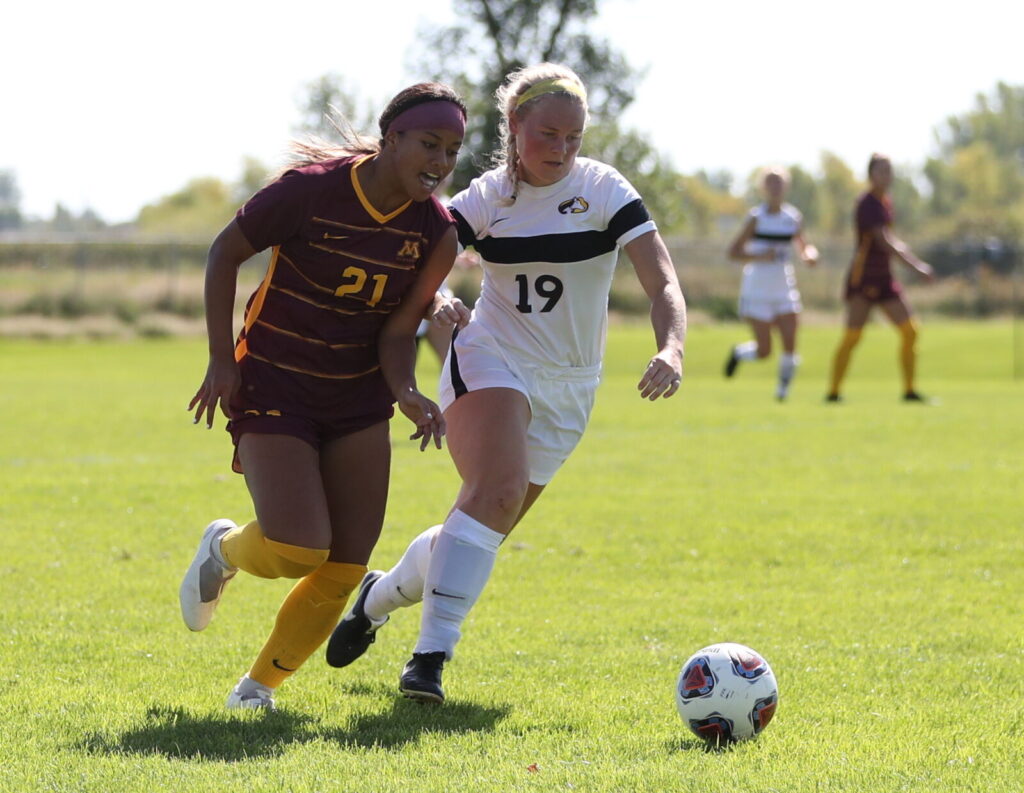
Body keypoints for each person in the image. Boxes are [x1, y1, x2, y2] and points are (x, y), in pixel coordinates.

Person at [325, 63, 687, 703]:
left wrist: (673, 346)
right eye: (548, 134)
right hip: (491, 357)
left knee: (479, 526)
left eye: (574, 138)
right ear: (514, 127)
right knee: (494, 492)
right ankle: (430, 660)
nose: (562, 150)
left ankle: (375, 599)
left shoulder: (604, 190)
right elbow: (424, 265)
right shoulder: (487, 199)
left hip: (571, 386)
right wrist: (436, 300)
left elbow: (662, 282)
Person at [178, 82, 467, 710]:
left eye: (453, 150)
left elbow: (397, 332)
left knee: (343, 569)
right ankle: (223, 550)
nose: (442, 163)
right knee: (295, 547)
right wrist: (220, 359)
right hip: (276, 380)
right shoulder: (311, 190)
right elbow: (224, 253)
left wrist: (409, 392)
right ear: (392, 140)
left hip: (358, 397)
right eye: (429, 144)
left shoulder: (438, 232)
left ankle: (256, 691)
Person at [826, 153, 935, 402]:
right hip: (864, 279)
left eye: (890, 170)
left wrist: (909, 258)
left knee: (910, 331)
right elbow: (884, 241)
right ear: (871, 174)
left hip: (885, 279)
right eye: (882, 170)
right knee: (853, 336)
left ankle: (909, 391)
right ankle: (833, 393)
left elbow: (891, 240)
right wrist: (916, 266)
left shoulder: (886, 201)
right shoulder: (867, 203)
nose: (887, 175)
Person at [723, 166, 818, 400]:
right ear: (764, 188)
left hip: (784, 287)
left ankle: (782, 392)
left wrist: (810, 255)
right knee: (764, 351)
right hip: (757, 289)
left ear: (786, 187)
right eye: (771, 183)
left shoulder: (792, 217)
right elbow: (733, 252)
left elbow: (804, 246)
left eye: (780, 183)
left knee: (790, 343)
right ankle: (739, 353)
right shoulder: (756, 218)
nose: (776, 187)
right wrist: (759, 256)